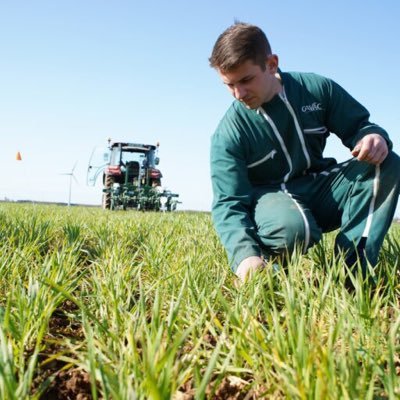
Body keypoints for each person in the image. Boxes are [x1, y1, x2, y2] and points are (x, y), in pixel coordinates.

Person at [209, 22, 400, 283]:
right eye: (228, 85)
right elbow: (228, 202)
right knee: (293, 229)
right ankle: (268, 268)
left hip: (319, 188)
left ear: (272, 64)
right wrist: (244, 255)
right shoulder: (230, 133)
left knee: (385, 162)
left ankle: (352, 274)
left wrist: (373, 137)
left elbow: (360, 126)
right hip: (271, 204)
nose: (238, 93)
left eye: (246, 80)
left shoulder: (317, 90)